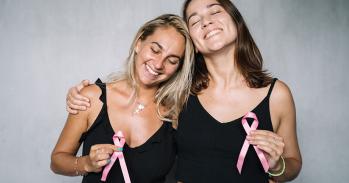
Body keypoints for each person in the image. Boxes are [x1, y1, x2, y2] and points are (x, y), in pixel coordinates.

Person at [66, 0, 302, 182]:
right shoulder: (179, 96)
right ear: (194, 45)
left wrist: (277, 165)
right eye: (195, 20)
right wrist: (83, 94)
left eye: (215, 10)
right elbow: (135, 94)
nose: (206, 21)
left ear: (236, 21)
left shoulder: (277, 94)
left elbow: (293, 165)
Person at [51, 14, 195, 183]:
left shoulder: (177, 114)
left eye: (172, 60)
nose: (158, 64)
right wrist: (87, 163)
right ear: (138, 43)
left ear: (179, 68)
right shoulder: (91, 98)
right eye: (155, 50)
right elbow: (57, 161)